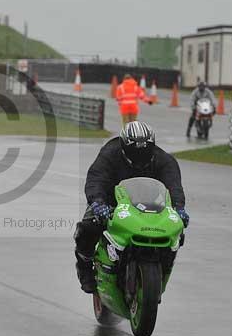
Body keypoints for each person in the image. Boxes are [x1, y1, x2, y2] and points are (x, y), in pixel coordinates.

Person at [72, 121, 189, 293]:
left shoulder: (165, 160)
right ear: (123, 147)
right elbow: (96, 179)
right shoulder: (109, 154)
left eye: (145, 152)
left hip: (151, 205)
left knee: (177, 232)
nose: (140, 158)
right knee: (88, 227)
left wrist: (179, 208)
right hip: (111, 202)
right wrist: (98, 203)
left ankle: (162, 268)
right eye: (135, 153)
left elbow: (174, 186)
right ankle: (84, 268)